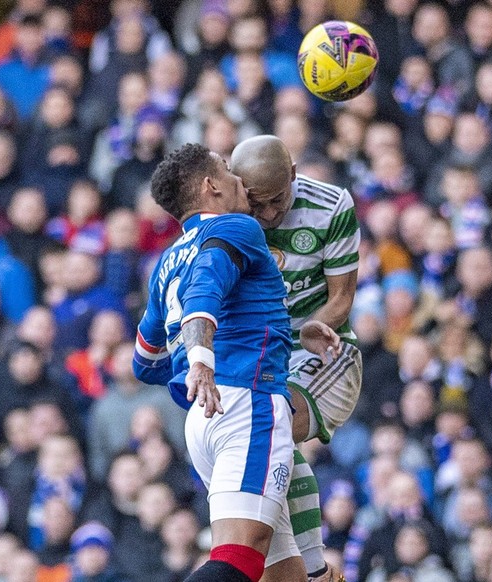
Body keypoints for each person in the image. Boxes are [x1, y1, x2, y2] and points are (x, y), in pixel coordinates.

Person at [133, 143, 338, 582]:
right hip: (247, 403)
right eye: (227, 170)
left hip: (204, 420)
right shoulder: (236, 228)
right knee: (238, 558)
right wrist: (203, 360)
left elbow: (145, 360)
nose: (239, 178)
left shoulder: (166, 262)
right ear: (211, 186)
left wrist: (194, 361)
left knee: (284, 574)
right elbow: (207, 283)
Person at [231, 134, 363, 581]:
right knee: (262, 447)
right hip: (263, 362)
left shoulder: (332, 205)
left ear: (293, 174)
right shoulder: (230, 218)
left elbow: (343, 296)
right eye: (257, 203)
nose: (267, 214)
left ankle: (314, 570)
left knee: (274, 423)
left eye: (277, 200)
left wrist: (313, 326)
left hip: (327, 353)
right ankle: (311, 572)